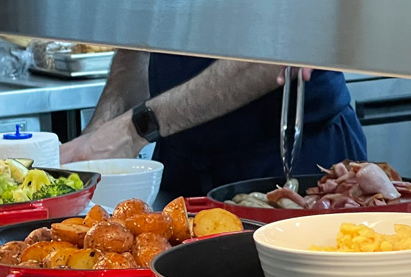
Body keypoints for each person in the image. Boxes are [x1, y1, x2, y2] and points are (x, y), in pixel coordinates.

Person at [59, 52, 367, 199]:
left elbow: (273, 53)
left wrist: (133, 130)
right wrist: (98, 135)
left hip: (286, 156)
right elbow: (138, 44)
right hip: (181, 158)